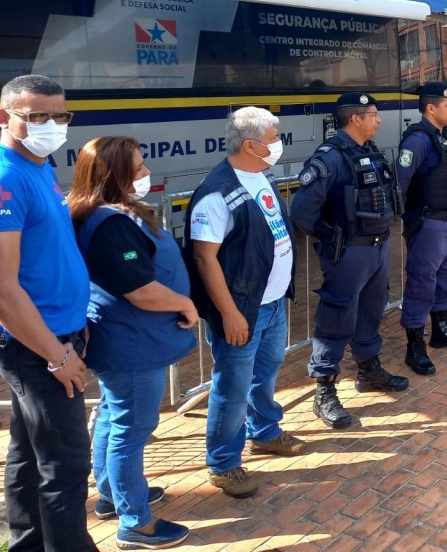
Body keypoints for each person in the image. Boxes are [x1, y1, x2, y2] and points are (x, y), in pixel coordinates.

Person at [68, 136, 196, 549]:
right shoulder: (110, 225)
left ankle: (111, 495)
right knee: (132, 428)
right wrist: (185, 304)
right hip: (132, 343)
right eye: (138, 168)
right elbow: (140, 290)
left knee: (113, 415)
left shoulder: (107, 215)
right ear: (114, 175)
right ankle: (135, 521)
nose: (145, 174)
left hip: (128, 338)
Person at [0, 74, 99, 552]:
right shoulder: (6, 177)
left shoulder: (37, 164)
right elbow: (3, 288)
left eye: (61, 115)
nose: (53, 125)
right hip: (37, 344)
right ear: (5, 117)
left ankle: (29, 543)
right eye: (37, 116)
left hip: (58, 333)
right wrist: (58, 356)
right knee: (66, 462)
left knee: (27, 450)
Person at [186, 106, 304, 499]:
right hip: (243, 309)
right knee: (232, 386)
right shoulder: (216, 192)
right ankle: (223, 463)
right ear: (252, 144)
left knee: (266, 372)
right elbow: (205, 258)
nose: (278, 146)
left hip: (271, 303)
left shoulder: (260, 174)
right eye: (273, 139)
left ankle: (265, 431)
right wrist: (230, 313)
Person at [290, 93, 408, 431]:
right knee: (337, 315)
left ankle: (369, 371)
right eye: (373, 114)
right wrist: (332, 237)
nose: (379, 120)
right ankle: (324, 390)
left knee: (372, 309)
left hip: (378, 248)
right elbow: (302, 212)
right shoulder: (330, 158)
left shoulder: (368, 151)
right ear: (355, 119)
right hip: (349, 252)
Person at [396, 82, 447, 376]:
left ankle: (441, 329)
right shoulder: (417, 141)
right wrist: (411, 222)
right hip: (428, 222)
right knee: (421, 282)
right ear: (431, 108)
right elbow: (399, 186)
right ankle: (415, 345)